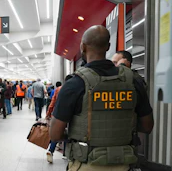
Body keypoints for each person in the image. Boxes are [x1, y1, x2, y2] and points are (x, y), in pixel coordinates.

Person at [50, 25, 154, 171]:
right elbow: (147, 126)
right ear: (108, 46)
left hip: (86, 164)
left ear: (83, 47)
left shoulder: (74, 83)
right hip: (124, 164)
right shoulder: (133, 80)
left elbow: (54, 134)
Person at [46, 79, 71, 163]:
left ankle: (51, 150)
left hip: (59, 114)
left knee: (57, 132)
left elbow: (53, 102)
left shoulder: (58, 89)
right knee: (69, 133)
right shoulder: (76, 87)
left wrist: (48, 113)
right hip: (72, 114)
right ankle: (66, 154)